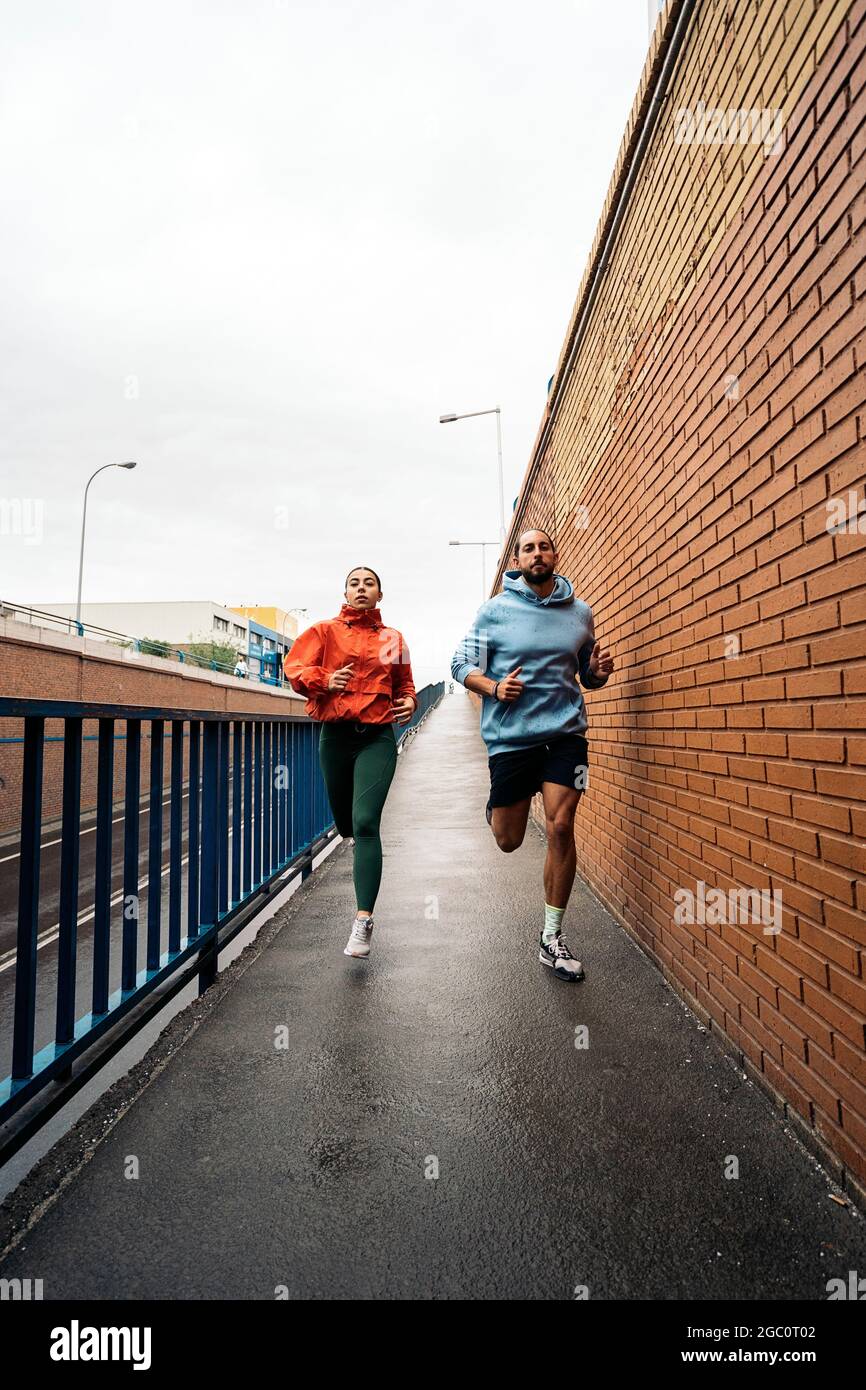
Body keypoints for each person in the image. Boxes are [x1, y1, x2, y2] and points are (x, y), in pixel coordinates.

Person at [451, 529, 614, 982]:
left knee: (562, 825)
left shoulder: (580, 614)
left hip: (565, 735)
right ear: (517, 560)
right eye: (528, 548)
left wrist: (596, 674)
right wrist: (495, 688)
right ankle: (499, 805)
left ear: (555, 555)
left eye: (544, 546)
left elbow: (584, 673)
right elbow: (461, 665)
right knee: (509, 839)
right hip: (512, 738)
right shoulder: (496, 613)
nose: (537, 554)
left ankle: (552, 937)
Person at [284, 567, 417, 958]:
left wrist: (409, 701)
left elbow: (404, 684)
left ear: (380, 594)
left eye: (369, 583)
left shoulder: (393, 639)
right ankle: (353, 837)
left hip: (376, 737)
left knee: (365, 823)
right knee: (345, 823)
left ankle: (363, 921)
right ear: (345, 592)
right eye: (354, 583)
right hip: (336, 737)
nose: (362, 588)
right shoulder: (324, 632)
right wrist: (325, 680)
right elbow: (293, 668)